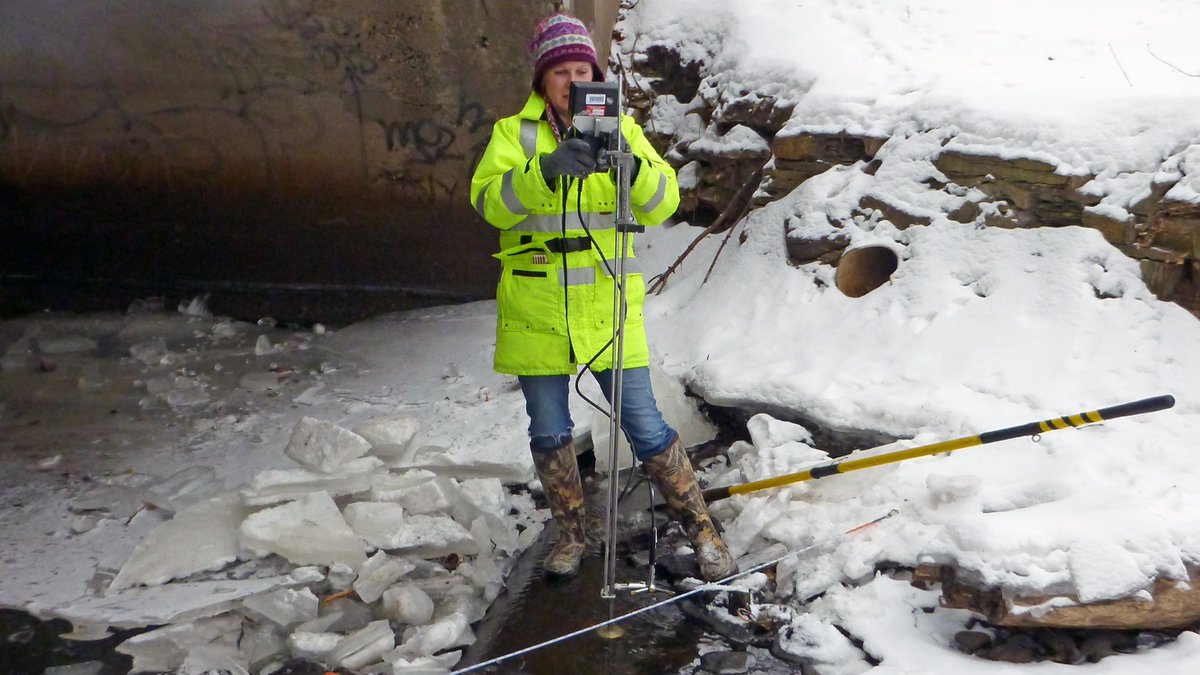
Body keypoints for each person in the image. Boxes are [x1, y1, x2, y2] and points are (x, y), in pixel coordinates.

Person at [469, 13, 735, 583]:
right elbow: (490, 205)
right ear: (543, 79)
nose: (571, 79)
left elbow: (663, 205)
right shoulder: (512, 135)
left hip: (607, 304)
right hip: (537, 306)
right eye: (560, 70)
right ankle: (571, 536)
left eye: (581, 68)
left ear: (596, 74)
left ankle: (703, 533)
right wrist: (544, 171)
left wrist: (631, 165)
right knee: (549, 428)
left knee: (644, 422)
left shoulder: (623, 128)